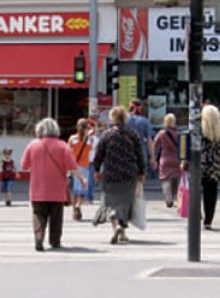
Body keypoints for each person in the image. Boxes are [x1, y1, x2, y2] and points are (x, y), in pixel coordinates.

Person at [21, 117, 87, 252]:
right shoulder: (63, 146)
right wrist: (82, 179)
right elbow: (72, 166)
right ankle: (55, 241)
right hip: (57, 188)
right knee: (56, 216)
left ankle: (39, 237)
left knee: (38, 213)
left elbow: (24, 165)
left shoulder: (33, 145)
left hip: (37, 188)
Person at [93, 106, 146, 244]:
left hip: (111, 173)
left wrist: (97, 170)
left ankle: (116, 226)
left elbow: (99, 155)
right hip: (129, 174)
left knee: (109, 203)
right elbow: (140, 155)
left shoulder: (107, 135)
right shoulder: (132, 134)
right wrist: (142, 172)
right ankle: (122, 232)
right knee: (125, 204)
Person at [200, 104, 220, 230]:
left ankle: (196, 215)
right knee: (211, 194)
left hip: (199, 166)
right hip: (214, 167)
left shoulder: (200, 132)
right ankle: (208, 220)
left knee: (194, 193)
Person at [126, 99, 157, 194]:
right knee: (139, 181)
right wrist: (152, 157)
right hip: (140, 155)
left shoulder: (124, 120)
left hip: (125, 154)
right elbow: (150, 141)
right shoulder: (144, 121)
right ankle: (136, 202)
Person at [153, 113, 182, 207]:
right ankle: (174, 196)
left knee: (165, 179)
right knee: (176, 179)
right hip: (176, 159)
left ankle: (168, 199)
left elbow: (154, 144)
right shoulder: (178, 134)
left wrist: (153, 156)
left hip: (165, 158)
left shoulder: (162, 133)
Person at [67, 118, 93, 221]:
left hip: (73, 166)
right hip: (85, 166)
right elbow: (92, 148)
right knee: (83, 189)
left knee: (74, 190)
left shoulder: (72, 139)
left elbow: (67, 152)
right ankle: (78, 204)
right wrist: (89, 133)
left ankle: (74, 211)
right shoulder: (89, 139)